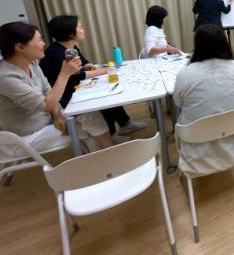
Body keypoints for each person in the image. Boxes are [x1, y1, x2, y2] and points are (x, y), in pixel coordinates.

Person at [0, 22, 113, 155]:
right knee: (85, 126)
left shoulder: (32, 63)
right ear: (20, 47)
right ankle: (106, 154)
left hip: (47, 121)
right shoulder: (6, 77)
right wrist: (64, 74)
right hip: (25, 137)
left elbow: (47, 90)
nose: (44, 44)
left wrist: (57, 115)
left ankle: (104, 155)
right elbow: (46, 104)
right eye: (39, 40)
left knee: (88, 115)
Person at [40, 15, 146, 139]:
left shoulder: (71, 47)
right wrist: (104, 71)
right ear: (70, 32)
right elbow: (76, 77)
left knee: (109, 89)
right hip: (65, 96)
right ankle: (112, 135)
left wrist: (88, 66)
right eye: (80, 27)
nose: (83, 30)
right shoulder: (55, 53)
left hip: (76, 87)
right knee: (104, 96)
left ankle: (124, 124)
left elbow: (83, 64)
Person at [173, 24, 234, 177]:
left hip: (197, 152)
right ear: (224, 43)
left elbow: (178, 102)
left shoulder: (184, 74)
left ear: (197, 45)